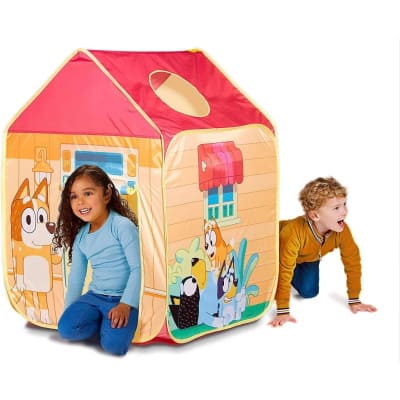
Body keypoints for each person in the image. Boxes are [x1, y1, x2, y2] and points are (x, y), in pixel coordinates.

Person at [53, 165, 141, 355]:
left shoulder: (122, 226)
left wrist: (126, 304)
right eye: (74, 196)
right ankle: (102, 323)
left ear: (106, 195)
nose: (80, 201)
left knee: (113, 346)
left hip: (122, 299)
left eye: (88, 193)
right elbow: (76, 279)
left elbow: (137, 268)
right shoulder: (81, 237)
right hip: (95, 297)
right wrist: (70, 312)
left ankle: (111, 326)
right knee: (66, 328)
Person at [269, 177, 376, 327]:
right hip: (279, 250)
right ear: (315, 215)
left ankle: (295, 272)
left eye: (344, 204)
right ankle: (276, 277)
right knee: (279, 277)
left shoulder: (342, 231)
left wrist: (354, 299)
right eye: (336, 208)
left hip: (308, 256)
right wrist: (283, 311)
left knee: (309, 292)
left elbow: (352, 262)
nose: (344, 212)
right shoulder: (293, 233)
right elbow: (285, 270)